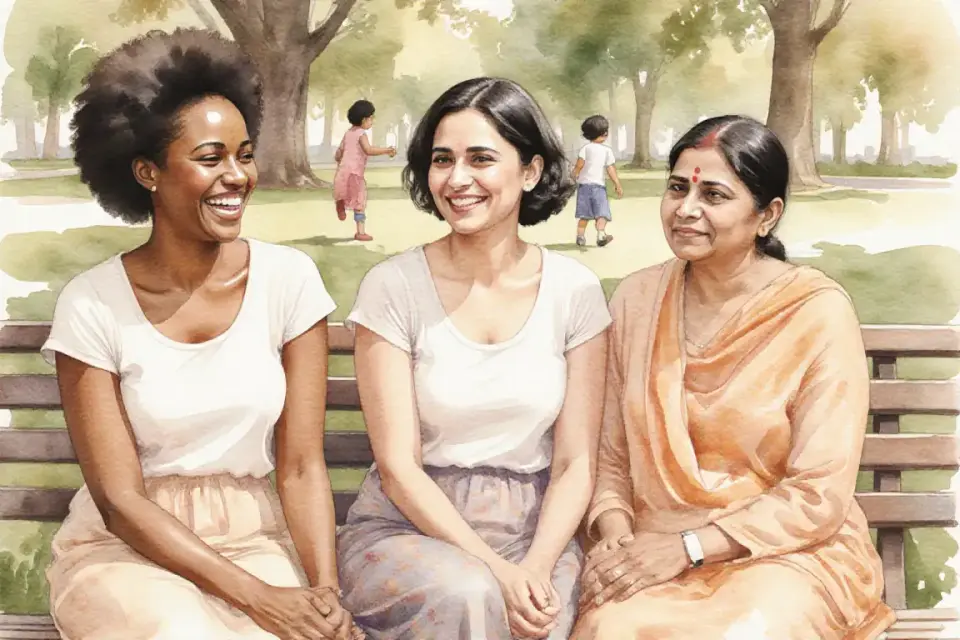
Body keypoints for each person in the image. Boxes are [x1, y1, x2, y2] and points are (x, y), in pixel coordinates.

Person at [41, 28, 362, 640]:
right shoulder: (92, 303)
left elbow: (299, 468)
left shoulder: (290, 280)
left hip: (255, 539)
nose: (238, 176)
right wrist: (259, 600)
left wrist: (322, 591)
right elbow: (121, 501)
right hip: (123, 553)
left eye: (244, 155)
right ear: (147, 171)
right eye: (211, 158)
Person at [570, 115, 896, 639]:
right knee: (610, 629)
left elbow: (817, 493)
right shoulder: (637, 298)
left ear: (767, 216)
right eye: (677, 188)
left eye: (714, 195)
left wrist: (690, 547)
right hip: (652, 552)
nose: (686, 210)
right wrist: (614, 533)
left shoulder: (815, 312)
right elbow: (611, 454)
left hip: (786, 557)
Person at [336, 77, 611, 639]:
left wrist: (533, 568)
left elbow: (574, 464)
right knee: (470, 594)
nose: (457, 179)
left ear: (530, 171)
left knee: (546, 613)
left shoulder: (574, 291)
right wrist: (494, 571)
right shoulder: (393, 287)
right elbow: (398, 468)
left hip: (537, 533)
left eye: (480, 159)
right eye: (442, 160)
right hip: (410, 530)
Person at [333, 99, 396, 242]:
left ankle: (340, 203)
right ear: (364, 119)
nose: (372, 121)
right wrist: (387, 150)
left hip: (343, 172)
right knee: (359, 202)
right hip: (355, 174)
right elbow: (368, 150)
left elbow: (338, 154)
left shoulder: (348, 133)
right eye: (371, 118)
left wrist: (343, 162)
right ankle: (360, 232)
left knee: (345, 193)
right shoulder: (361, 134)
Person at [571, 115, 622, 248]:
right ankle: (601, 235)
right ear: (605, 133)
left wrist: (574, 174)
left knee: (584, 215)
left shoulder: (585, 149)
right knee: (602, 213)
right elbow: (610, 169)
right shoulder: (607, 151)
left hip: (584, 187)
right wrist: (617, 184)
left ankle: (580, 237)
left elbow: (579, 165)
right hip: (599, 187)